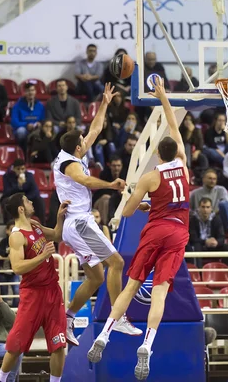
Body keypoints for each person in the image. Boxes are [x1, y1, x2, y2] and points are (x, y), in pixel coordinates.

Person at [87, 76, 190, 380]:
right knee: (159, 292)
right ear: (176, 151)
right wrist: (164, 97)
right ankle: (148, 343)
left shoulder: (150, 176)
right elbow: (173, 125)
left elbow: (129, 211)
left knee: (131, 286)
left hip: (156, 228)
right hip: (178, 231)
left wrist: (139, 199)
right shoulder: (183, 162)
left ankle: (103, 335)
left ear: (158, 154)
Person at [52, 82, 140, 346]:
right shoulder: (69, 164)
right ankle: (119, 317)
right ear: (78, 148)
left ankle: (66, 319)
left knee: (96, 277)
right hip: (79, 223)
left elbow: (95, 128)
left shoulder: (71, 152)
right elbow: (87, 181)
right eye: (83, 143)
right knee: (117, 264)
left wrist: (104, 102)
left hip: (75, 224)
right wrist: (111, 183)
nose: (86, 142)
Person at [0, 194, 69, 382]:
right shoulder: (17, 235)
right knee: (17, 344)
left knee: (59, 343)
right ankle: (1, 379)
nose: (32, 202)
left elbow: (56, 235)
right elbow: (17, 267)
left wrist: (59, 218)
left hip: (52, 291)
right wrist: (42, 255)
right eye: (28, 201)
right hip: (33, 294)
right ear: (21, 208)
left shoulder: (35, 223)